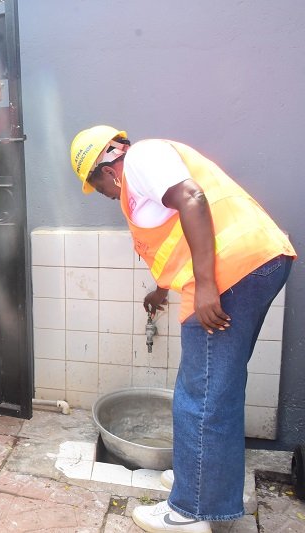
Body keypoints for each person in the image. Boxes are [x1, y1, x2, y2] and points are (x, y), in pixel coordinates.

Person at [69, 126, 296, 533]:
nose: (102, 194)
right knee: (217, 389)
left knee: (201, 394)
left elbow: (192, 198)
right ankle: (204, 481)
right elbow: (176, 231)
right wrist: (161, 289)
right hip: (251, 266)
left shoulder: (141, 159)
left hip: (230, 275)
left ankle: (189, 511)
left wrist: (208, 284)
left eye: (96, 184)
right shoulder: (144, 177)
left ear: (107, 166)